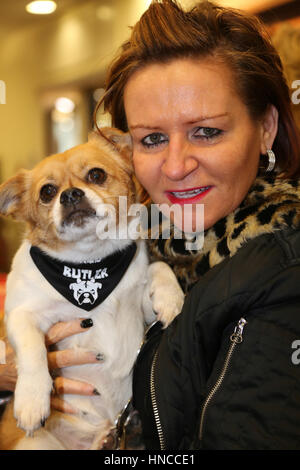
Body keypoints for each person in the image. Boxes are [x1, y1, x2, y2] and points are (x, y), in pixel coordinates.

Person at [1, 0, 300, 450]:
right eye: (153, 139)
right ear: (128, 153)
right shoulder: (151, 241)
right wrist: (20, 375)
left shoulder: (283, 271)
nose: (176, 166)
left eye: (207, 131)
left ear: (265, 128)